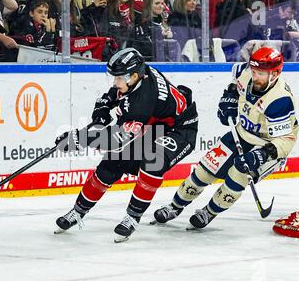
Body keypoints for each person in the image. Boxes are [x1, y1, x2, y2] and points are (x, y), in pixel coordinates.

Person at [53, 47, 199, 242]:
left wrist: (78, 139)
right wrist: (103, 108)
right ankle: (78, 211)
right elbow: (115, 94)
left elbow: (116, 139)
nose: (115, 82)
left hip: (180, 130)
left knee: (152, 161)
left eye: (119, 78)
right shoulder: (137, 77)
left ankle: (133, 216)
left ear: (134, 76)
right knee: (111, 164)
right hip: (155, 125)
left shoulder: (142, 102)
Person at [151, 46, 299, 229]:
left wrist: (261, 155)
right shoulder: (245, 72)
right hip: (241, 133)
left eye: (261, 73)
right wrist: (228, 98)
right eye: (254, 71)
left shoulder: (280, 100)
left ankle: (209, 212)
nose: (255, 77)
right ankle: (175, 206)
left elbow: (286, 139)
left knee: (237, 178)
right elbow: (235, 85)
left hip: (267, 145)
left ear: (275, 73)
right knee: (205, 170)